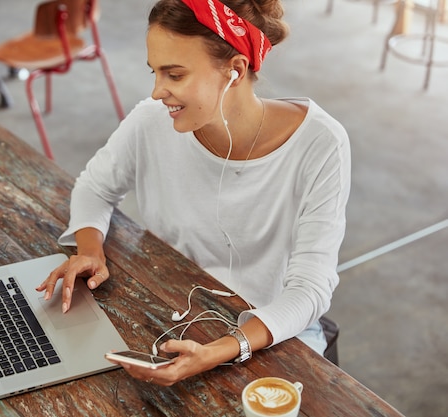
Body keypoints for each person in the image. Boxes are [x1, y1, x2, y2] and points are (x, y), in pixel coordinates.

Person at [36, 0, 350, 386]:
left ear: (234, 70)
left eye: (174, 74)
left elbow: (310, 289)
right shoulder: (151, 122)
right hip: (173, 313)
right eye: (155, 72)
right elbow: (95, 187)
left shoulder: (320, 144)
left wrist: (219, 350)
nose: (156, 92)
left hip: (270, 335)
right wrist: (89, 250)